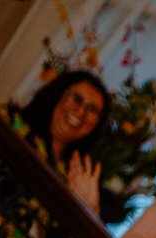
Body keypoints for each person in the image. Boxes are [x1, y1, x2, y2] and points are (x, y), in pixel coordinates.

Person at [9, 69, 108, 210]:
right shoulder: (12, 123)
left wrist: (91, 207)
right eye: (76, 99)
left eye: (92, 109)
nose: (81, 112)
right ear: (56, 94)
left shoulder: (73, 176)